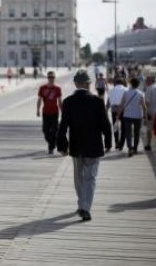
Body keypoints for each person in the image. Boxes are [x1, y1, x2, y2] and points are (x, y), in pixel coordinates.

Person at [56, 69, 112, 221]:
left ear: (75, 83)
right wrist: (108, 142)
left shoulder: (68, 102)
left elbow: (63, 126)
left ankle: (82, 204)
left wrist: (62, 145)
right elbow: (105, 124)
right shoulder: (97, 101)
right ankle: (85, 207)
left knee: (78, 177)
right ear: (89, 84)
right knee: (90, 178)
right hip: (94, 145)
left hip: (76, 145)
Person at [117, 77, 147, 157]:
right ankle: (135, 148)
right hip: (138, 115)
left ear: (130, 83)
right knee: (137, 133)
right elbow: (144, 107)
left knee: (128, 133)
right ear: (138, 84)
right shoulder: (140, 93)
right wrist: (145, 117)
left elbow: (121, 104)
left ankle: (130, 148)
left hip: (127, 115)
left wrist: (118, 114)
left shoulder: (126, 92)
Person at [36, 70, 62, 154]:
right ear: (47, 78)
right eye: (50, 77)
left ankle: (51, 147)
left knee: (55, 130)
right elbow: (39, 99)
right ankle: (52, 143)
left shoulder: (57, 89)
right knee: (45, 130)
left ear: (54, 78)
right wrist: (38, 110)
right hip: (46, 112)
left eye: (53, 77)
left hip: (55, 112)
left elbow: (60, 101)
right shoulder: (42, 88)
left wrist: (63, 112)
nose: (51, 79)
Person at [106, 77, 127, 150]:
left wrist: (106, 109)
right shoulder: (126, 89)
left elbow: (108, 101)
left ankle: (116, 142)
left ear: (115, 83)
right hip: (123, 110)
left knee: (115, 127)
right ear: (123, 83)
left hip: (114, 110)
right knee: (123, 127)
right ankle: (121, 144)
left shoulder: (111, 90)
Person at [144, 75, 156, 151]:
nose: (145, 81)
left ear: (150, 81)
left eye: (147, 80)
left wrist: (145, 114)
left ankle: (148, 144)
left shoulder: (149, 89)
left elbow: (147, 102)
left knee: (149, 129)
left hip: (151, 111)